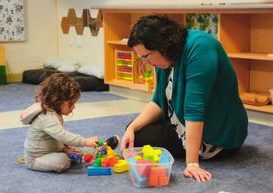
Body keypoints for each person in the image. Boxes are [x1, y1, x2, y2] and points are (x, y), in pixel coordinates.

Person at [120, 14, 248, 182]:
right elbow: (159, 100)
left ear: (161, 45)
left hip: (216, 137)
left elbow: (195, 108)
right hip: (184, 121)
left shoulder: (200, 47)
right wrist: (133, 127)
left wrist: (192, 163)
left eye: (146, 56)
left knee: (142, 138)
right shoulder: (164, 58)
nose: (145, 62)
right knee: (135, 131)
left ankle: (196, 151)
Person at [21, 73, 99, 172]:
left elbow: (57, 136)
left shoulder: (54, 111)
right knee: (62, 161)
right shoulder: (46, 117)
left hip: (53, 150)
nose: (74, 107)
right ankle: (73, 155)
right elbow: (62, 135)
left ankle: (98, 149)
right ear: (58, 101)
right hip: (37, 159)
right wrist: (85, 141)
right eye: (72, 103)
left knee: (75, 146)